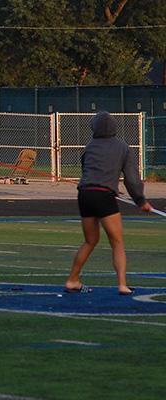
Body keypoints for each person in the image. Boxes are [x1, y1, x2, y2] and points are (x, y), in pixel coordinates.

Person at [64, 111, 152, 295]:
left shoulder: (89, 146)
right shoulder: (122, 147)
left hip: (85, 194)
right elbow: (132, 178)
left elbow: (88, 170)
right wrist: (140, 200)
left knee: (90, 241)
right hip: (104, 196)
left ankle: (73, 279)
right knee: (117, 241)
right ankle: (122, 285)